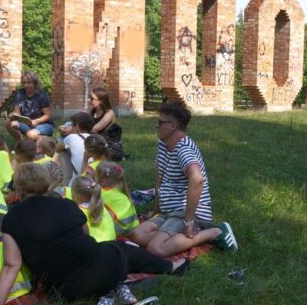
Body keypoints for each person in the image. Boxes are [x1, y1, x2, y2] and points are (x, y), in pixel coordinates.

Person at [0, 162, 190, 305]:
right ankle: (169, 267)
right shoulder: (66, 205)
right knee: (121, 249)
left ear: (19, 189)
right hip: (103, 267)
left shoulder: (11, 218)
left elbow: (11, 265)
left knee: (108, 254)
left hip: (63, 291)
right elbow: (85, 237)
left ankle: (113, 289)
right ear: (45, 183)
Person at [129, 102, 238, 257]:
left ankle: (214, 232)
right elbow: (161, 178)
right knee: (137, 235)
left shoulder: (184, 150)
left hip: (186, 212)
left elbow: (197, 179)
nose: (156, 125)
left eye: (160, 122)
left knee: (156, 249)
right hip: (169, 211)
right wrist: (156, 211)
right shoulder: (163, 144)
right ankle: (174, 239)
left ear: (173, 126)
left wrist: (189, 221)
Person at [60, 87, 123, 161]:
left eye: (92, 99)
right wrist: (65, 127)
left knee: (71, 134)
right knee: (68, 124)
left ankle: (61, 149)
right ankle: (62, 147)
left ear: (101, 101)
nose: (89, 100)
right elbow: (78, 120)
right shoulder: (91, 110)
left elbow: (95, 130)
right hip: (92, 138)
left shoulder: (109, 113)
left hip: (106, 144)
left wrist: (73, 131)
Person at [5, 71, 54, 142]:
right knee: (9, 122)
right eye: (24, 83)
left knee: (31, 134)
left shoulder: (42, 95)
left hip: (43, 124)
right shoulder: (19, 93)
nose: (26, 85)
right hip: (27, 124)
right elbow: (17, 113)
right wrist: (13, 116)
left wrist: (36, 121)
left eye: (28, 83)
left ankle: (47, 144)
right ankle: (21, 143)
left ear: (34, 83)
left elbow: (47, 115)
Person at [97, 162, 138, 236]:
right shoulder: (119, 189)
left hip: (120, 230)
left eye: (94, 177)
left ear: (102, 182)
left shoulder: (103, 193)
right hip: (133, 228)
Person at [70, 176, 116, 243]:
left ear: (77, 196)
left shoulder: (77, 212)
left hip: (96, 248)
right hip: (113, 244)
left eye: (71, 191)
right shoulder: (101, 206)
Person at [55, 112, 94, 185]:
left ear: (77, 127)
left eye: (72, 126)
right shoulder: (94, 139)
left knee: (62, 150)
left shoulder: (71, 137)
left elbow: (58, 147)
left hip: (77, 182)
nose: (71, 128)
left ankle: (62, 179)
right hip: (93, 178)